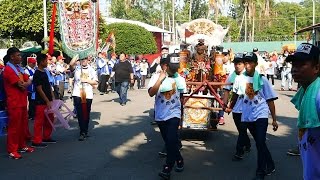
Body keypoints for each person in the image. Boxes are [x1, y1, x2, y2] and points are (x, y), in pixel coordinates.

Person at [225, 52, 278, 180]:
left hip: (261, 113)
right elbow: (236, 95)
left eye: (250, 62)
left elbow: (270, 100)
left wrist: (274, 120)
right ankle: (270, 164)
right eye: (246, 62)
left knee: (260, 141)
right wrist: (230, 107)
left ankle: (260, 172)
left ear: (255, 64)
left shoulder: (262, 79)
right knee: (260, 143)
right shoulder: (239, 79)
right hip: (247, 114)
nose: (248, 65)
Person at [148, 53, 186, 179]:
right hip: (160, 114)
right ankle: (179, 159)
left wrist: (181, 114)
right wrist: (160, 79)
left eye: (176, 67)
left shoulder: (180, 79)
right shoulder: (156, 77)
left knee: (171, 140)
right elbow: (151, 93)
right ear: (165, 66)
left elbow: (181, 97)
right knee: (170, 141)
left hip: (174, 114)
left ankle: (167, 168)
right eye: (172, 67)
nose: (175, 70)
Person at [286, 43, 320, 180]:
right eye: (294, 65)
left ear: (316, 68)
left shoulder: (317, 96)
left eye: (301, 65)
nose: (295, 69)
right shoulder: (306, 92)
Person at [3, 47, 35, 159]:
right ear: (12, 56)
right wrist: (27, 82)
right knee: (14, 127)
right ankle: (12, 150)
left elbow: (29, 80)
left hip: (21, 101)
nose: (20, 57)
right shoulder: (8, 69)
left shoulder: (18, 68)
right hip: (14, 102)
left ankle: (21, 145)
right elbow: (22, 84)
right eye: (18, 55)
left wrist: (26, 82)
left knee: (22, 125)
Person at [223, 53, 251, 161]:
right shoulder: (232, 76)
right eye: (235, 63)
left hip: (246, 108)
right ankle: (247, 143)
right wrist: (225, 105)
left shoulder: (249, 76)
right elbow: (226, 90)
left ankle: (239, 151)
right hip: (236, 108)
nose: (237, 66)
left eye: (239, 63)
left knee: (243, 129)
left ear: (244, 64)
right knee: (241, 130)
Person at [70, 56, 98, 141]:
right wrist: (77, 55)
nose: (83, 61)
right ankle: (82, 132)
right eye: (82, 59)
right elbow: (71, 64)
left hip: (88, 94)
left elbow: (96, 83)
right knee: (80, 113)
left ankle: (85, 130)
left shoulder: (92, 69)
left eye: (85, 59)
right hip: (78, 93)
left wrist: (86, 80)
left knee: (86, 113)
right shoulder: (77, 68)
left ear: (88, 60)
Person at [31, 54, 56, 148]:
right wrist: (46, 100)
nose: (47, 62)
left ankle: (46, 136)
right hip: (40, 101)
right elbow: (39, 88)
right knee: (39, 121)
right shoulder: (37, 73)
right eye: (46, 61)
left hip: (48, 100)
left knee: (49, 119)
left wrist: (52, 96)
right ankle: (36, 140)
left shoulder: (44, 71)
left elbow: (48, 85)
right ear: (41, 62)